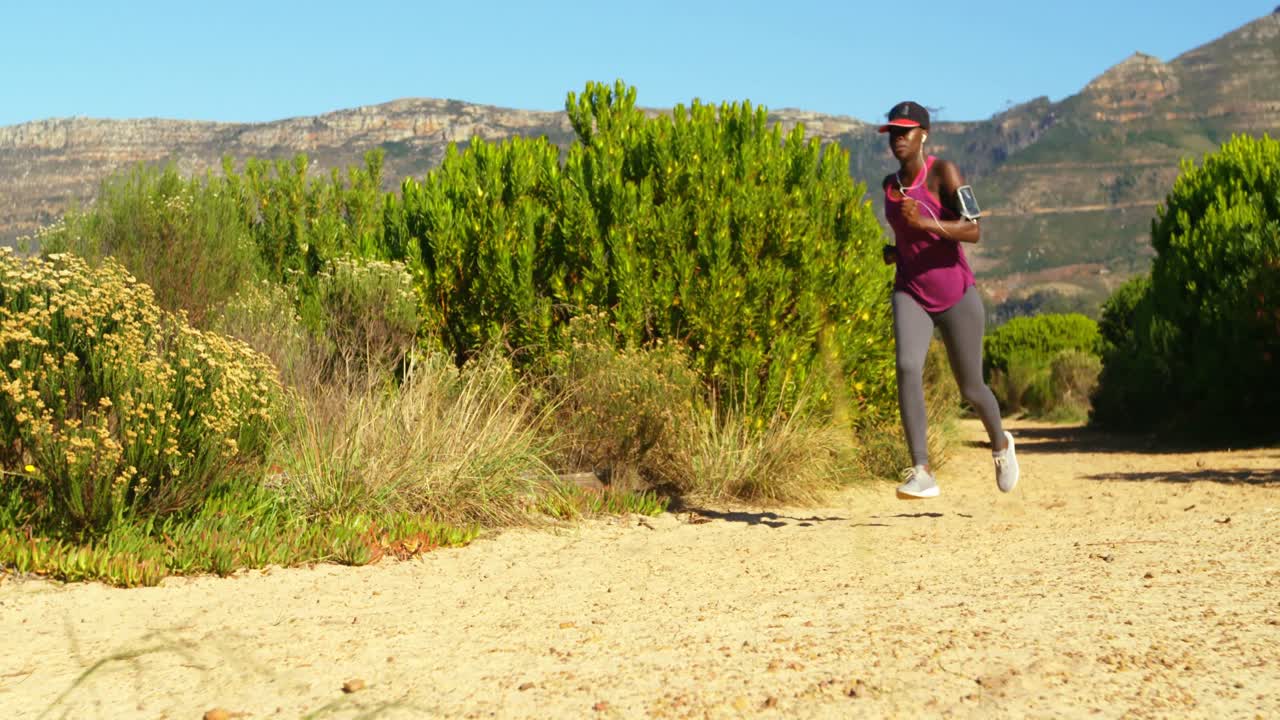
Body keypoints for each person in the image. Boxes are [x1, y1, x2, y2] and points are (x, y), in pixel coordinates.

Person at [877, 101, 1019, 499]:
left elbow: (974, 230)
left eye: (905, 131)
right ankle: (922, 470)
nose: (898, 138)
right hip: (911, 290)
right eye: (892, 132)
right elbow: (907, 235)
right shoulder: (889, 185)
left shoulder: (944, 173)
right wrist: (896, 251)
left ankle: (1000, 444)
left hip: (956, 295)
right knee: (907, 367)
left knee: (971, 388)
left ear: (923, 134)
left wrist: (924, 223)